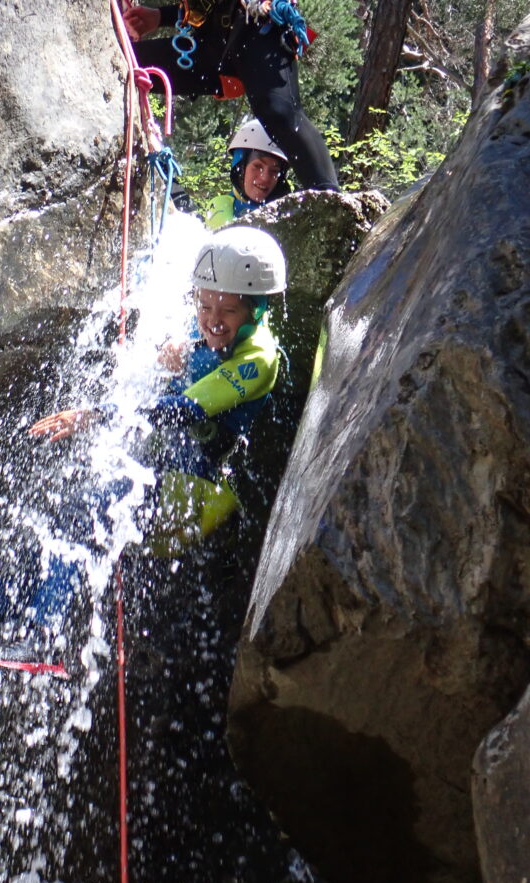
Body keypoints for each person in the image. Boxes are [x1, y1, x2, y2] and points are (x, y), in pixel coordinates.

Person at [18, 224, 287, 663]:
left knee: (78, 516)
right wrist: (174, 345)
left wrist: (93, 415)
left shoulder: (259, 359)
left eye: (230, 311)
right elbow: (180, 351)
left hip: (201, 495)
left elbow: (182, 410)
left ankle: (42, 642)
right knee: (41, 538)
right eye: (205, 305)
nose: (214, 319)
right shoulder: (209, 335)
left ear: (255, 313)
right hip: (164, 477)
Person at [126, 0, 339, 192]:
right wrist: (162, 16)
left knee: (279, 112)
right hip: (213, 42)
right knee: (128, 63)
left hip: (258, 22)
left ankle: (329, 198)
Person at [205, 118, 291, 229]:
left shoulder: (286, 211)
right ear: (240, 168)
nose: (265, 178)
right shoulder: (221, 207)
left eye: (274, 171)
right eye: (258, 166)